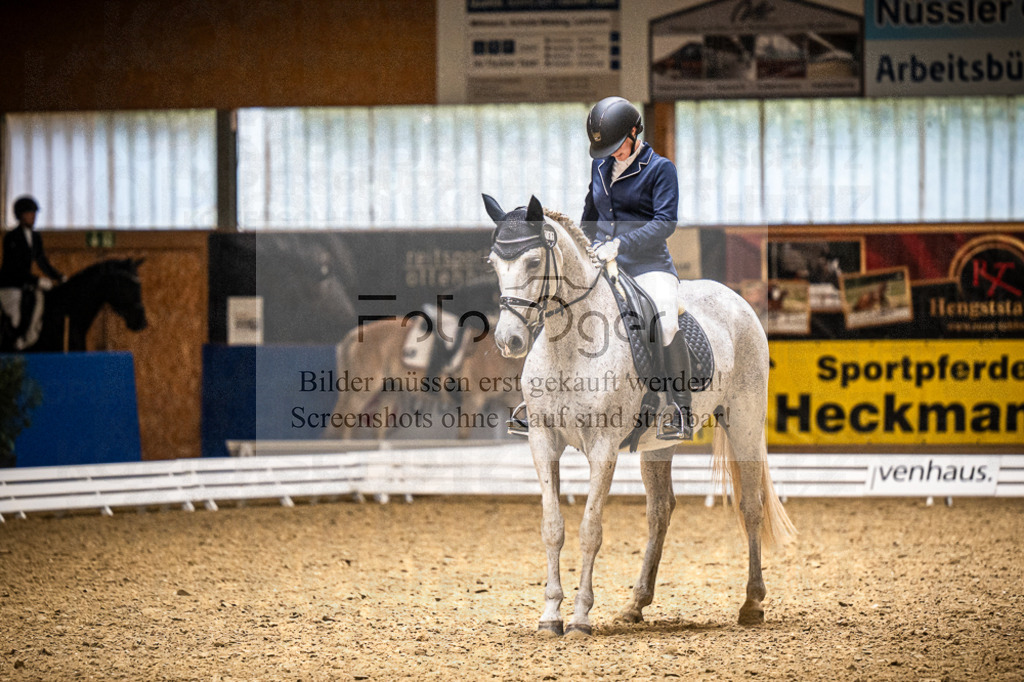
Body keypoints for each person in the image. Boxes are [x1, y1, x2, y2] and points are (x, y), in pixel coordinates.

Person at [581, 96, 692, 440]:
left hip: (647, 265)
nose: (612, 154)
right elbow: (590, 213)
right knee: (559, 302)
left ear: (635, 132)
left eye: (617, 146)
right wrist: (584, 246)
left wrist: (621, 244)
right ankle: (545, 402)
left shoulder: (660, 169)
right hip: (601, 261)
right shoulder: (600, 166)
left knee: (665, 320)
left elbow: (664, 223)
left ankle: (678, 408)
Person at [0, 196, 66, 347]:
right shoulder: (11, 237)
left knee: (40, 299)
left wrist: (59, 276)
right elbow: (14, 267)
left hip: (25, 283)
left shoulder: (36, 237)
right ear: (20, 215)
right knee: (16, 317)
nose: (33, 217)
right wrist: (37, 280)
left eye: (34, 213)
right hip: (10, 284)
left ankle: (30, 337)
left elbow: (42, 261)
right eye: (29, 213)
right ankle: (12, 341)